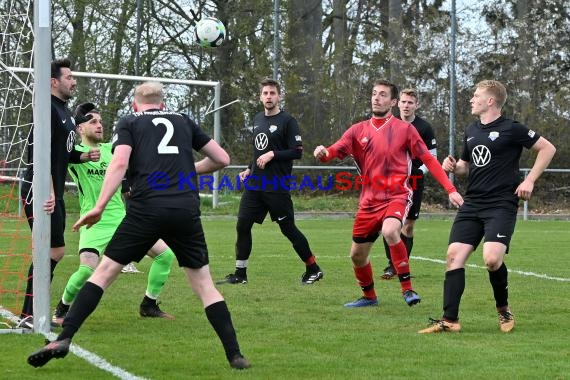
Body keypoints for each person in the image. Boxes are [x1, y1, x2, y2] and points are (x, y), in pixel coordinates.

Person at [27, 81, 250, 370]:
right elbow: (222, 159)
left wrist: (99, 206)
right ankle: (235, 355)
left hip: (146, 209)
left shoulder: (130, 121)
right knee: (205, 286)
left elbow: (119, 164)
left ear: (135, 104)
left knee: (104, 273)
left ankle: (64, 338)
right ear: (163, 103)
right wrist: (184, 170)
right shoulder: (183, 120)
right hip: (184, 209)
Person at [418, 80, 556, 333]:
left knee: (492, 260)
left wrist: (529, 180)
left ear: (490, 101)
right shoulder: (471, 129)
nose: (472, 99)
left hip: (501, 204)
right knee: (453, 256)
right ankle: (450, 321)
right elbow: (465, 166)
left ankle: (503, 310)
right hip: (473, 203)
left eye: (476, 95)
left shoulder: (512, 128)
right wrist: (454, 167)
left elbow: (547, 148)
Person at [313, 79, 463, 308]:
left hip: (397, 195)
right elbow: (333, 151)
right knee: (357, 256)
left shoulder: (405, 129)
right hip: (368, 201)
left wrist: (450, 190)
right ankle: (370, 297)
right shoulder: (358, 130)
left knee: (391, 230)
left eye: (383, 94)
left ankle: (408, 290)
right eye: (374, 93)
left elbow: (429, 161)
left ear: (392, 102)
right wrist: (323, 153)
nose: (376, 98)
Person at [51, 102, 176, 326]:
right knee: (86, 270)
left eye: (100, 121)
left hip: (123, 220)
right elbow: (58, 151)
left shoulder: (112, 149)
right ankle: (61, 309)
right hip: (94, 222)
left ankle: (149, 304)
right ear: (80, 129)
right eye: (92, 122)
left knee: (165, 255)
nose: (99, 125)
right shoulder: (75, 154)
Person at [217, 78, 323, 285]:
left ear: (279, 96)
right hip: (255, 184)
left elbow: (297, 152)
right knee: (242, 225)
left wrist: (273, 154)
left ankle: (313, 268)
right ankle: (240, 274)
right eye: (265, 93)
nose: (268, 97)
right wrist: (249, 168)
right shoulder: (257, 119)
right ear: (260, 97)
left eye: (272, 93)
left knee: (288, 229)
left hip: (276, 186)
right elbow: (258, 151)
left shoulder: (288, 121)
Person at [19, 58, 99, 327]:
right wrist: (49, 189)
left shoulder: (63, 111)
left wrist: (84, 155)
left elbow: (62, 152)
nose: (73, 81)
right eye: (68, 77)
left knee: (55, 250)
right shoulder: (47, 110)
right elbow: (39, 154)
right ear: (53, 82)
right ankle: (29, 314)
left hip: (51, 189)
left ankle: (31, 312)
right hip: (40, 189)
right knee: (50, 251)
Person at [381, 88, 438, 279]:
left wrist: (417, 173)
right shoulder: (388, 124)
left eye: (410, 103)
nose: (406, 106)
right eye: (403, 102)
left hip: (414, 182)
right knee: (389, 224)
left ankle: (402, 265)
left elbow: (432, 158)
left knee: (408, 226)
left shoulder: (424, 128)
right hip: (391, 182)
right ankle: (392, 265)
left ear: (416, 105)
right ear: (397, 103)